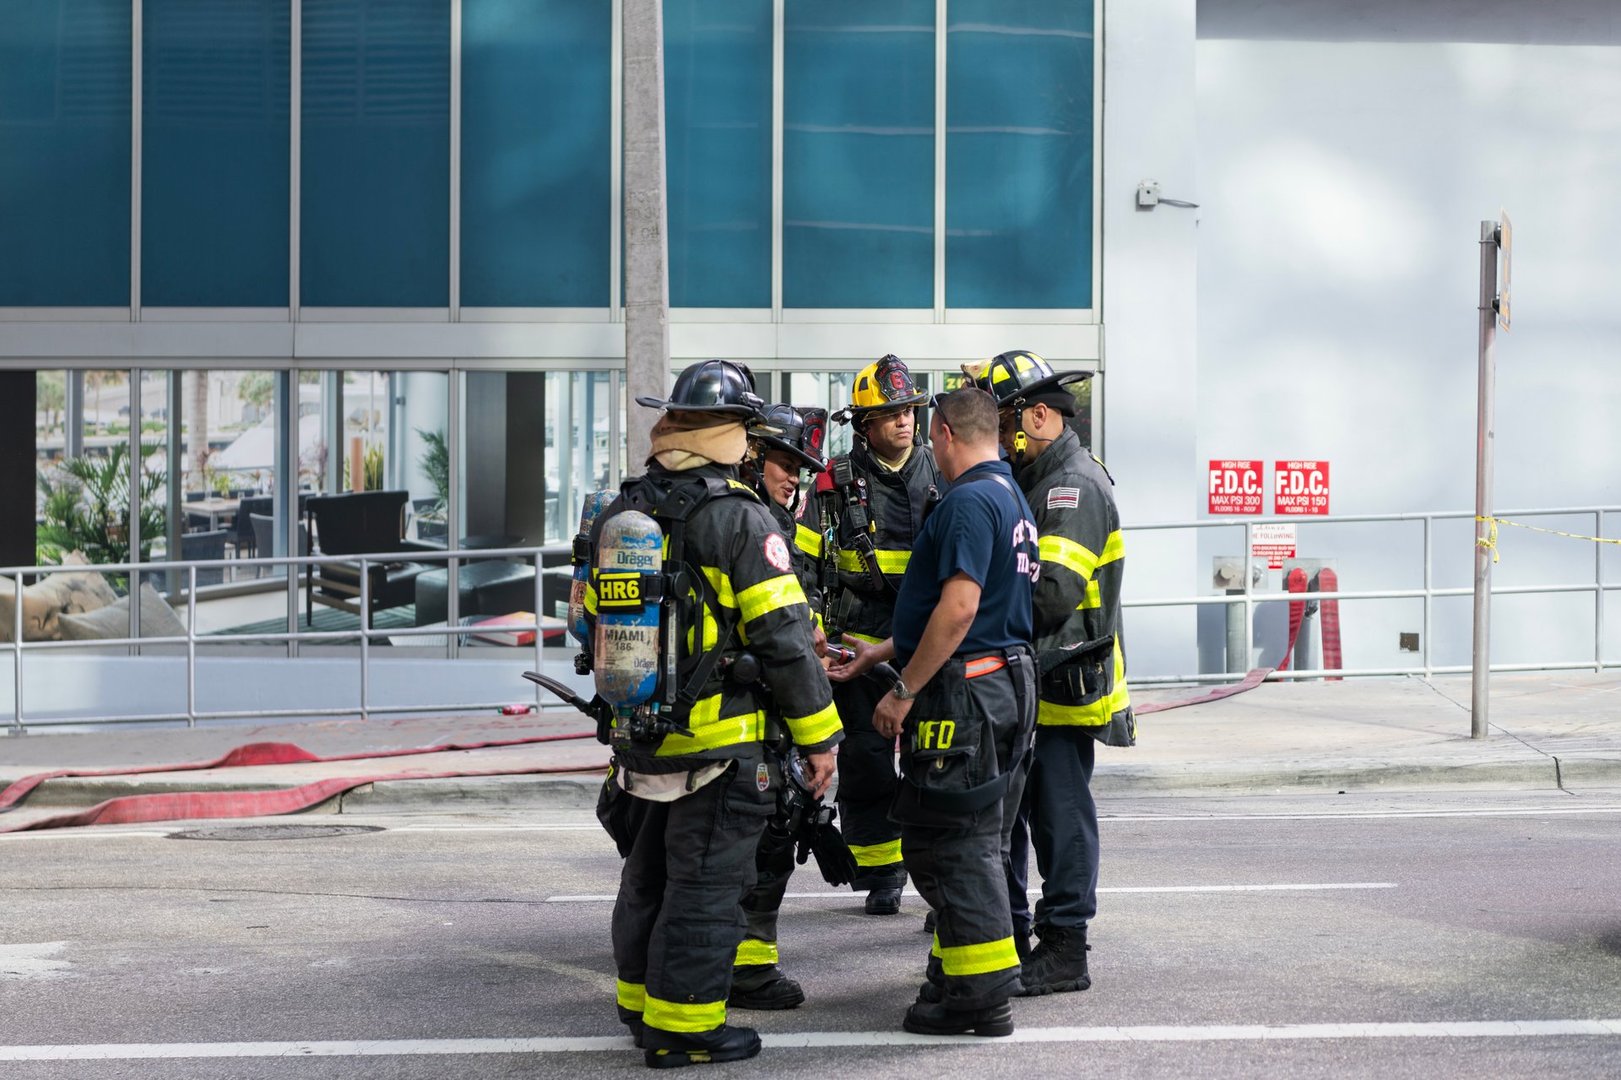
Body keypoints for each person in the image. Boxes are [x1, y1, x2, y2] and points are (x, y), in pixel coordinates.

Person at [587, 361, 843, 1068]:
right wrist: (821, 739)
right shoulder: (738, 517)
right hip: (721, 747)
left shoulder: (622, 511)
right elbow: (785, 640)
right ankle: (685, 1030)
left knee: (646, 879)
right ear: (730, 433)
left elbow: (590, 620)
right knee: (705, 886)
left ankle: (640, 1008)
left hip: (640, 738)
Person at [828, 387, 1038, 1037]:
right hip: (1001, 682)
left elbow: (960, 609)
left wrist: (903, 688)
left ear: (943, 432)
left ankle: (979, 996)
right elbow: (965, 609)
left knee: (952, 844)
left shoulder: (968, 502)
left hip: (966, 692)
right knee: (975, 837)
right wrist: (880, 653)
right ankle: (959, 977)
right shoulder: (1007, 495)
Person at [970, 349, 1135, 998]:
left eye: (1004, 422)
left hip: (1064, 686)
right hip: (1035, 681)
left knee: (1059, 819)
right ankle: (1014, 936)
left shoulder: (1072, 487)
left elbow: (1051, 595)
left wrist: (973, 622)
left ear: (1038, 416)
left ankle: (1066, 947)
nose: (997, 437)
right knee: (1019, 821)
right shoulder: (1038, 479)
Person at [818, 355, 944, 916]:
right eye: (891, 413)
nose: (904, 420)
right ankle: (882, 871)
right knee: (867, 760)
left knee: (937, 760)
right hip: (858, 644)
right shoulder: (834, 482)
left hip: (929, 639)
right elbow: (807, 562)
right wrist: (816, 631)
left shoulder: (942, 472)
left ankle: (945, 885)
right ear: (864, 425)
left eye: (910, 411)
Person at [727, 403, 832, 1012]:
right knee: (765, 838)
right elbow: (778, 637)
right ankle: (748, 969)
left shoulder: (765, 519)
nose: (794, 477)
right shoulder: (749, 523)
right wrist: (820, 738)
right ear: (751, 455)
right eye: (785, 463)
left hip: (733, 713)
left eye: (800, 468)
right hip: (749, 715)